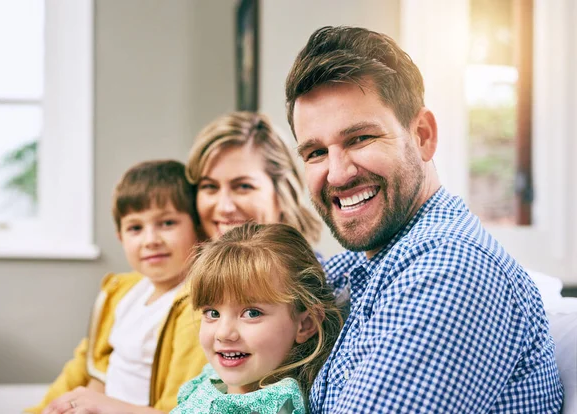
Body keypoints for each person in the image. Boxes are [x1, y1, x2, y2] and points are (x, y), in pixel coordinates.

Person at [284, 26, 563, 413]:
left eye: (360, 139)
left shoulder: (450, 270)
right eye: (315, 152)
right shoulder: (367, 263)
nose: (337, 173)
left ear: (423, 135)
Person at [26, 160, 208, 414]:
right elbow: (86, 366)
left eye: (167, 223)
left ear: (197, 227)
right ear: (121, 237)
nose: (151, 240)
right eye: (135, 228)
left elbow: (180, 407)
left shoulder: (198, 306)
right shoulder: (122, 291)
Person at [169, 223, 343, 414]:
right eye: (213, 313)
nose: (223, 333)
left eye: (252, 313)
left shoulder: (276, 405)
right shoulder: (211, 380)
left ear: (305, 324)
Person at [186, 111, 322, 245]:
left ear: (284, 192)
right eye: (210, 186)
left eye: (243, 186)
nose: (224, 208)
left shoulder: (319, 268)